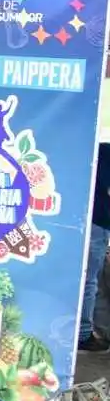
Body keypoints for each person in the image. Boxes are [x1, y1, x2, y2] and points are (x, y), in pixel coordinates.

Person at [80, 144, 110, 352]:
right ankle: (83, 334)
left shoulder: (94, 147)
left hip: (78, 218)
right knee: (89, 280)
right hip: (98, 222)